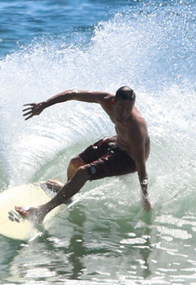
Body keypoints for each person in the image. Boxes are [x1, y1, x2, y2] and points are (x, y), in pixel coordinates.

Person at [16, 85, 151, 222]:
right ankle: (67, 191)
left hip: (129, 159)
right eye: (120, 107)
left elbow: (141, 165)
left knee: (83, 172)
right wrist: (44, 104)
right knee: (75, 163)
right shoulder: (105, 99)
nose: (124, 114)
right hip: (118, 143)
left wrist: (145, 197)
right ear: (112, 102)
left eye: (129, 109)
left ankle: (41, 211)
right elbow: (72, 94)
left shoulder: (135, 130)